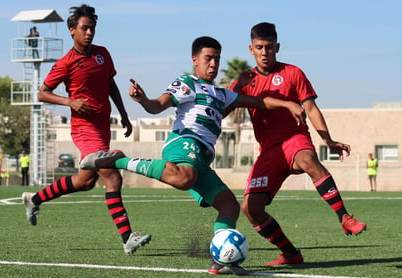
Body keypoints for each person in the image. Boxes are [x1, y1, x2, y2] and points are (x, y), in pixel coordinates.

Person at [80, 36, 305, 275]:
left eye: (217, 59)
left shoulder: (222, 94)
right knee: (184, 177)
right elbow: (158, 105)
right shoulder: (187, 82)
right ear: (195, 60)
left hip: (202, 160)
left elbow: (259, 101)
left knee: (229, 206)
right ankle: (118, 159)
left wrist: (287, 105)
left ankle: (220, 261)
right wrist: (143, 99)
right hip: (184, 143)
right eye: (208, 58)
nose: (213, 64)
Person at [229, 22, 367, 265]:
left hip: (295, 138)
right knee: (251, 208)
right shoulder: (244, 80)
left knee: (307, 160)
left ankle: (345, 218)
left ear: (277, 47)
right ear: (251, 49)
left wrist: (327, 139)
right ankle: (291, 253)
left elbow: (311, 108)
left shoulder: (293, 73)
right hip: (269, 150)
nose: (264, 52)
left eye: (269, 47)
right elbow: (224, 106)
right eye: (259, 47)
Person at [21, 4, 151, 256]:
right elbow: (42, 92)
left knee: (84, 182)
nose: (89, 32)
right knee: (113, 176)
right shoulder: (66, 63)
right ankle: (128, 237)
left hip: (103, 126)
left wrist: (123, 114)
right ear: (72, 30)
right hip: (84, 128)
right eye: (84, 28)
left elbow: (110, 83)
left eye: (92, 28)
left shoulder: (103, 54)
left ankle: (34, 199)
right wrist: (70, 101)